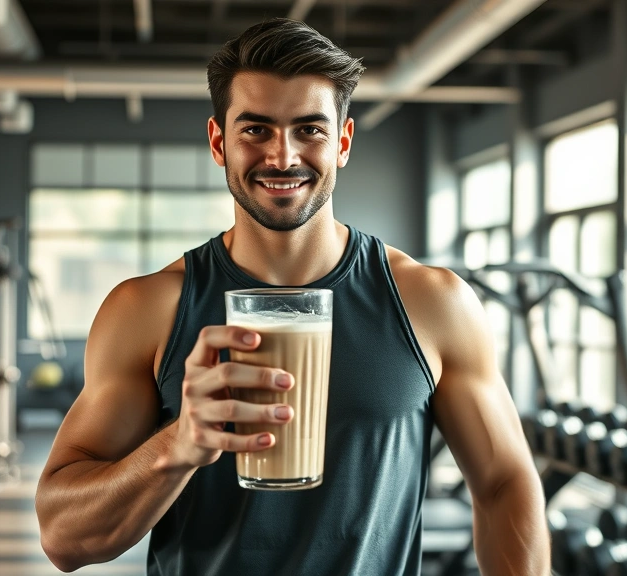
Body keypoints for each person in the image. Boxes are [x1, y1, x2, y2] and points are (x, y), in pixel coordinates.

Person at [35, 18, 549, 576]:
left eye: (310, 130)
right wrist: (178, 445)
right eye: (256, 130)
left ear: (343, 143)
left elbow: (503, 483)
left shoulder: (431, 303)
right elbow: (64, 539)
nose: (283, 157)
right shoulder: (147, 310)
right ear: (218, 142)